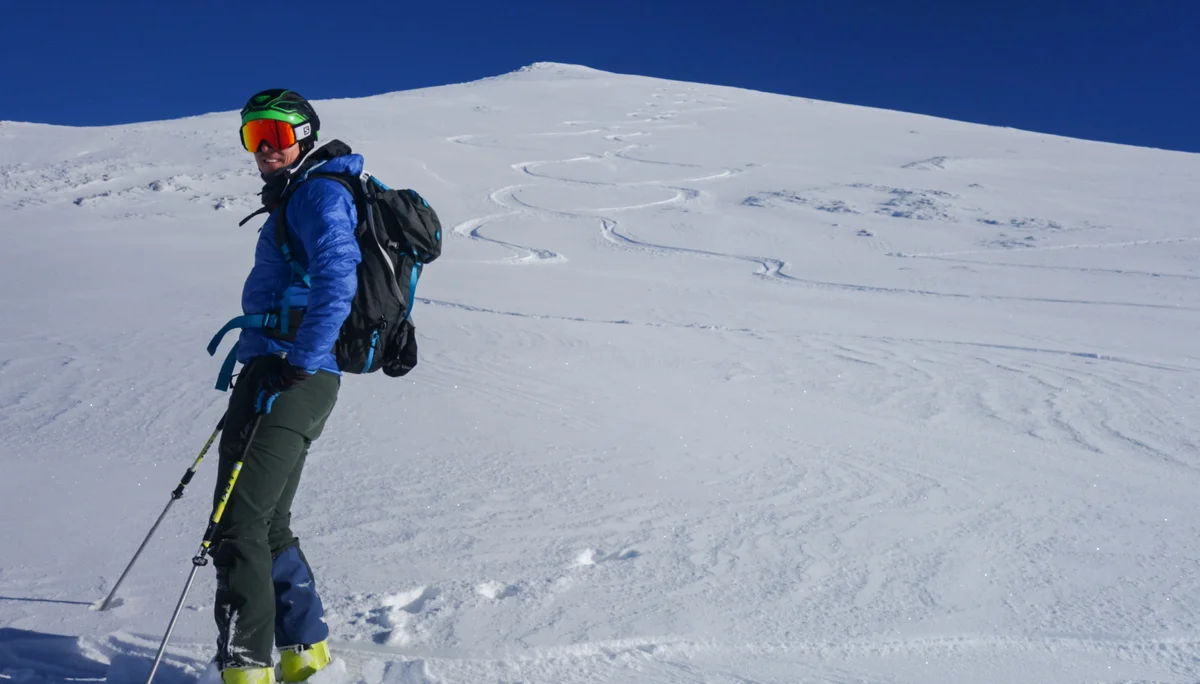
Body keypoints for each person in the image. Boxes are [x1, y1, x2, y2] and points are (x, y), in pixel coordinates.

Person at [210, 89, 363, 684]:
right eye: (254, 136)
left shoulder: (319, 193)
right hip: (287, 370)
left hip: (292, 372)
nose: (265, 148)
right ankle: (306, 652)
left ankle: (246, 669)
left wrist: (297, 361)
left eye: (276, 135)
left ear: (304, 137)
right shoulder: (300, 195)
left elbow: (337, 276)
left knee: (237, 522)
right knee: (267, 521)